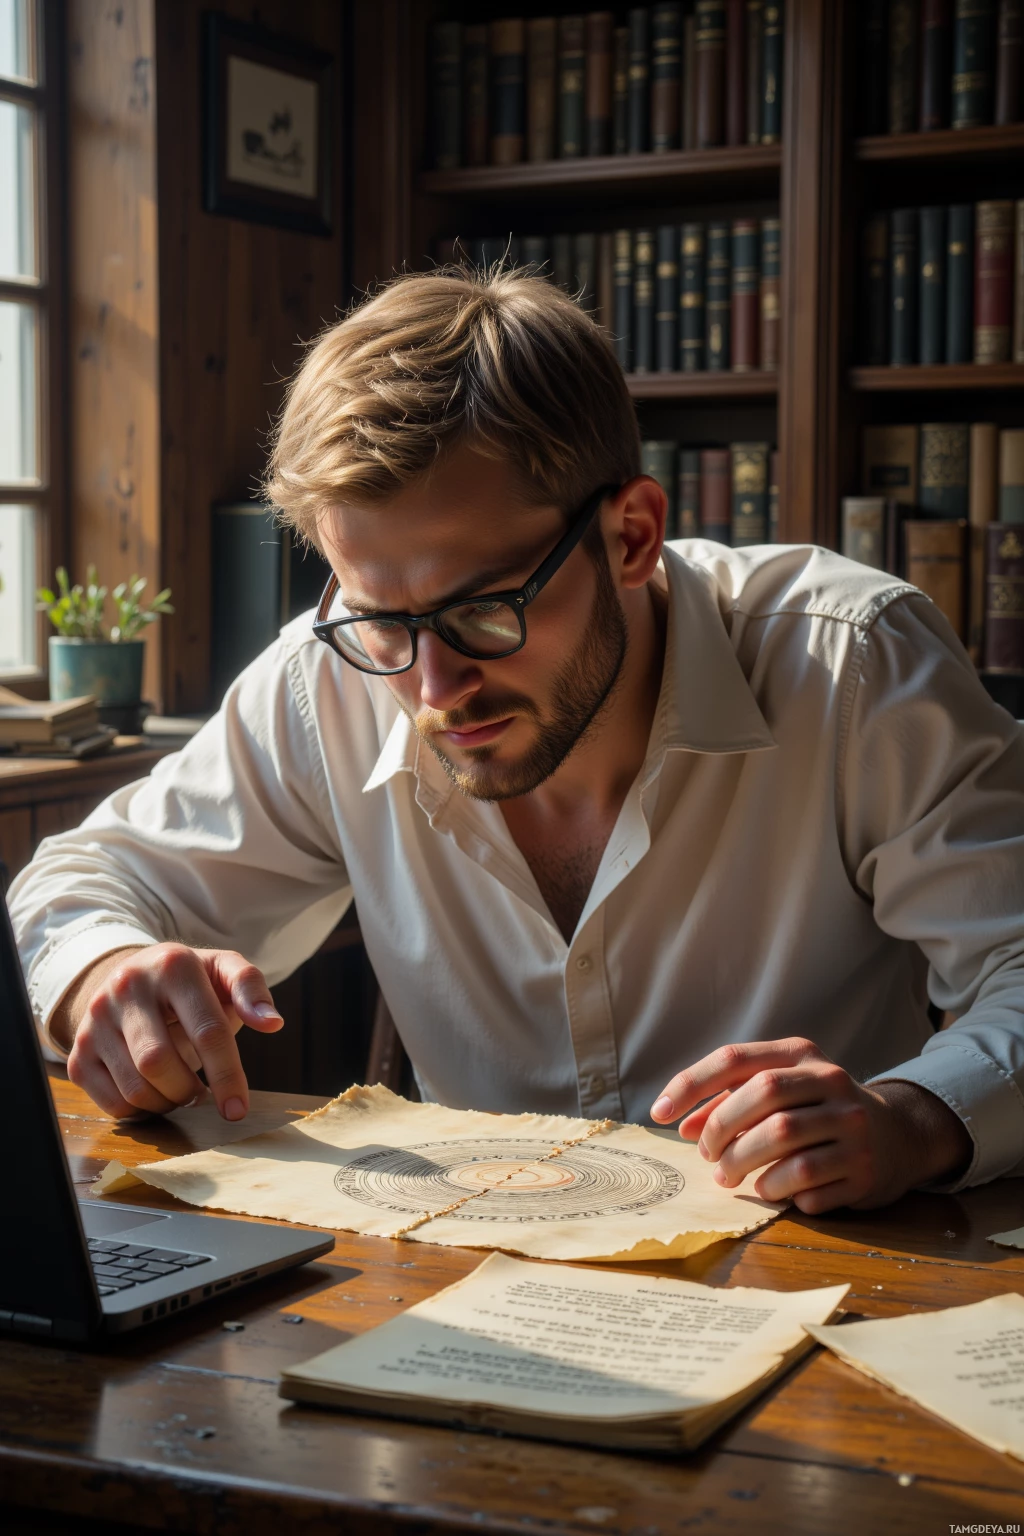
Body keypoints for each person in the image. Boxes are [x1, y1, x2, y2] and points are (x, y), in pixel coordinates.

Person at [11, 268, 1024, 1214]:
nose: (432, 686)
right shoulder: (329, 677)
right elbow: (72, 887)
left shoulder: (852, 664)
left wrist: (912, 1118)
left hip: (819, 1271)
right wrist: (105, 975)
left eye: (486, 609)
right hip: (467, 1279)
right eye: (380, 620)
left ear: (630, 535)